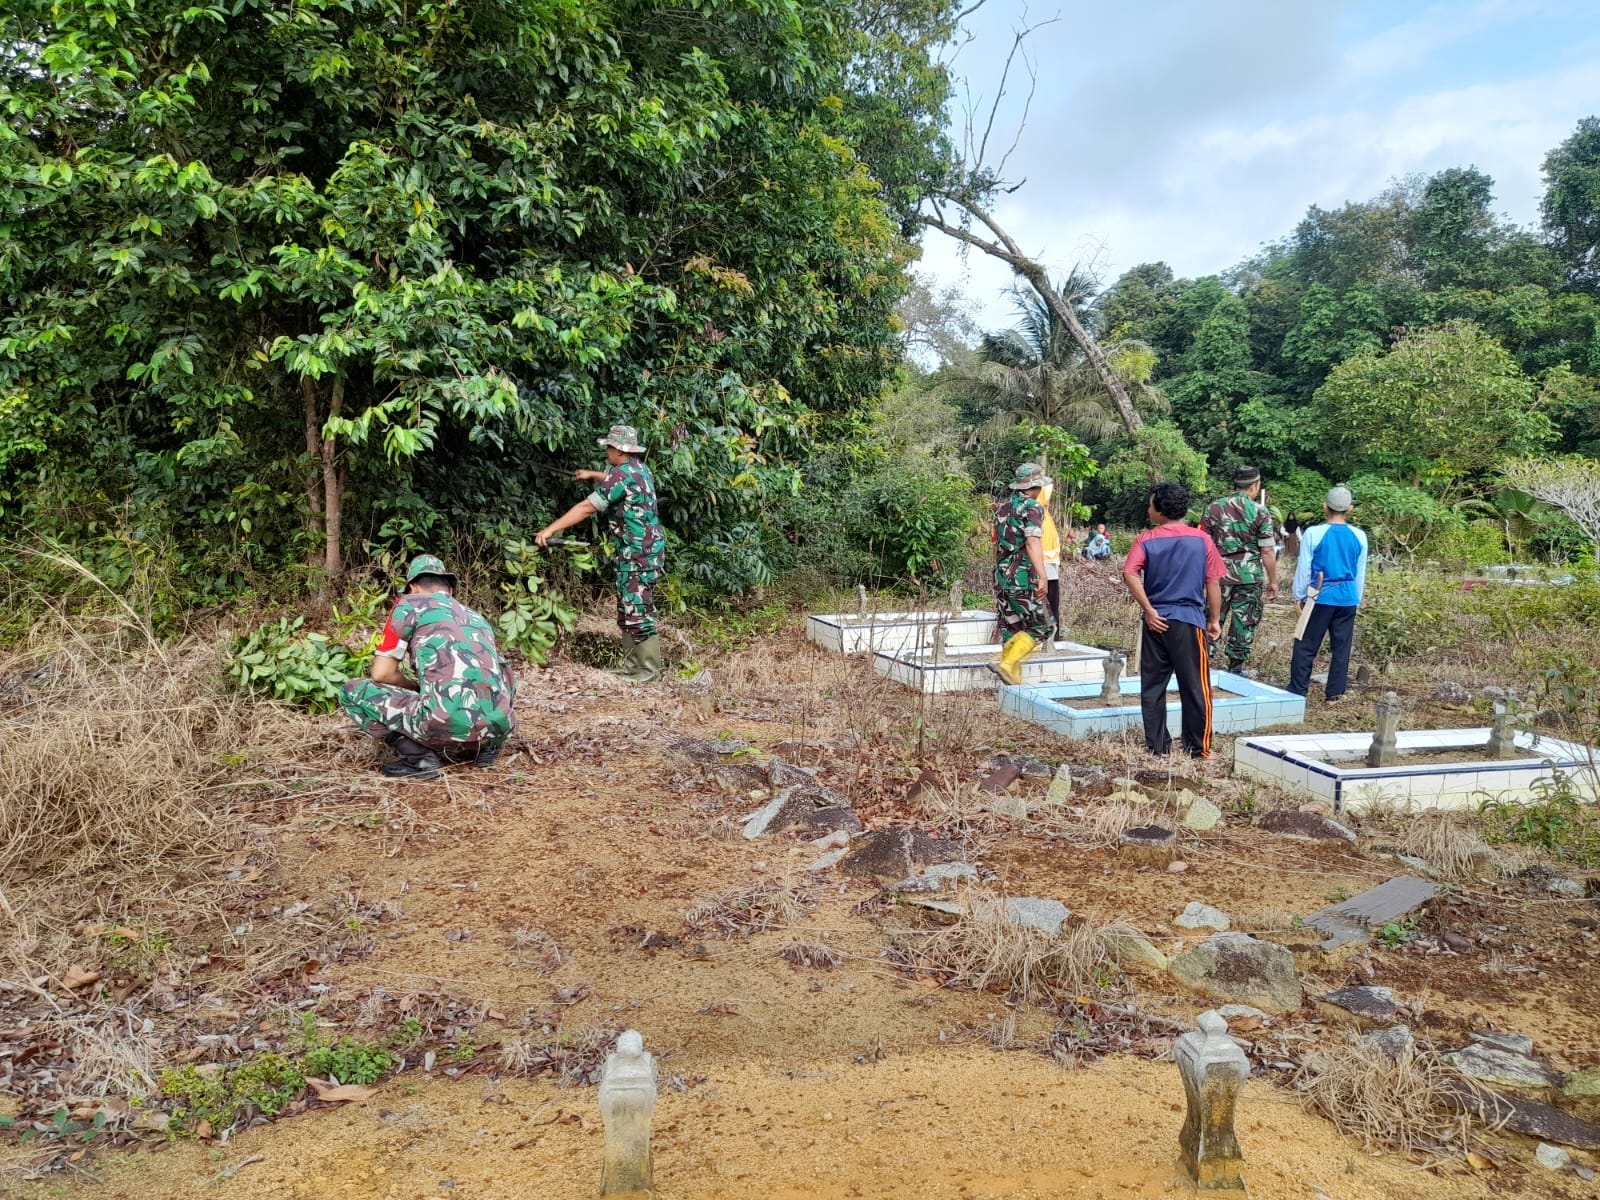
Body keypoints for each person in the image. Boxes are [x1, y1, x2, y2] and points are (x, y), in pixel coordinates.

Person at [339, 555, 517, 779]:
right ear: (450, 589)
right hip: (499, 726)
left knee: (351, 691)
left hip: (441, 726)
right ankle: (486, 746)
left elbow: (382, 673)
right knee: (502, 669)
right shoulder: (476, 617)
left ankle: (420, 759)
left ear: (412, 587)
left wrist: (415, 688)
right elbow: (502, 674)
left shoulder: (407, 606)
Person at [537, 425, 666, 682]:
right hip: (639, 552)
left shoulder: (621, 475)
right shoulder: (639, 468)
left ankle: (649, 671)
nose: (606, 451)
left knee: (638, 608)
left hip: (638, 554)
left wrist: (550, 530)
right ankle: (633, 668)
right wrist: (592, 475)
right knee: (628, 607)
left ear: (618, 450)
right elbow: (614, 479)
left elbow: (587, 507)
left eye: (608, 447)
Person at [1123, 482, 1225, 759]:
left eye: (1150, 504)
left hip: (1156, 621)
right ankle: (1197, 747)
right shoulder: (1202, 540)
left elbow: (1130, 573)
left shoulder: (1145, 539)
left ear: (1159, 510)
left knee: (1153, 686)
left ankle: (1158, 747)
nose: (1148, 509)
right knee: (1195, 686)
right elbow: (1213, 582)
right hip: (1189, 621)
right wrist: (1213, 619)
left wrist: (1149, 609)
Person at [1289, 486, 1369, 704]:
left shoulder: (1314, 533)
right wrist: (1357, 599)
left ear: (1325, 506)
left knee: (1305, 645)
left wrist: (1300, 595)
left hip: (1320, 596)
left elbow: (1304, 567)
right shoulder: (1360, 536)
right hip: (1348, 597)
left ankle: (1297, 691)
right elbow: (1360, 572)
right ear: (1349, 509)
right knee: (1341, 648)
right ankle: (1335, 693)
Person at [1201, 465, 1278, 674]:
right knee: (1245, 620)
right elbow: (1268, 550)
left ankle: (1203, 661)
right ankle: (1235, 667)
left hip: (1217, 576)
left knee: (1212, 616)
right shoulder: (1260, 512)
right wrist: (1273, 581)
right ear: (1255, 486)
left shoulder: (1213, 508)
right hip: (1249, 576)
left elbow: (1203, 545)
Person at [991, 463, 1054, 684]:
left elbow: (996, 544)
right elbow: (1032, 541)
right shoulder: (1033, 507)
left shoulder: (1002, 508)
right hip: (1022, 577)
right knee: (1043, 626)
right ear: (1036, 485)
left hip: (1001, 576)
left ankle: (1012, 681)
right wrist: (1042, 575)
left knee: (1012, 625)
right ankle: (1007, 665)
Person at [1039, 482, 1062, 644]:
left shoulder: (1045, 516)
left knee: (1051, 608)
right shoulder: (1037, 515)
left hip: (1051, 570)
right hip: (1041, 571)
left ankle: (1052, 639)